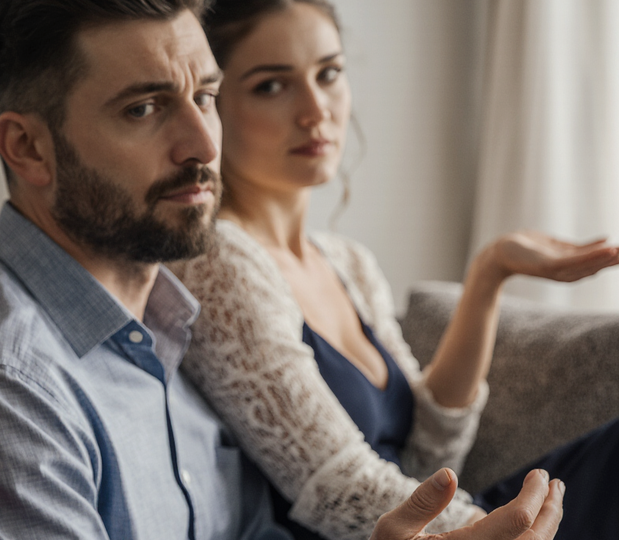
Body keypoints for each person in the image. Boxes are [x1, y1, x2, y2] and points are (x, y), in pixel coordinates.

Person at [0, 0, 563, 539]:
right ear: (28, 148)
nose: (203, 144)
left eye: (206, 96)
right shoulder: (1, 378)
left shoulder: (173, 326)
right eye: (144, 108)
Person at [168, 0, 619, 538]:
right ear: (214, 106)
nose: (316, 109)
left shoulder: (348, 262)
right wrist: (495, 529)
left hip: (446, 522)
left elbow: (432, 451)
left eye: (329, 73)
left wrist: (489, 274)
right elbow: (339, 489)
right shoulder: (219, 260)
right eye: (271, 85)